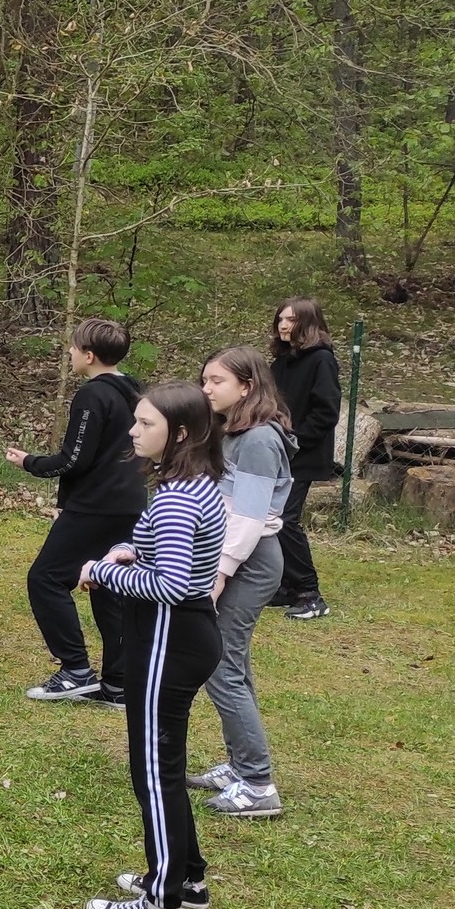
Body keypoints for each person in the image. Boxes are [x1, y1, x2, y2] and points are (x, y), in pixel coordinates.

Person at [79, 382, 226, 909]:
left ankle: (161, 903)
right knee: (165, 765)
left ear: (180, 433)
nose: (133, 431)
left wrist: (102, 571)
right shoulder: (194, 484)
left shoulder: (176, 498)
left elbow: (170, 584)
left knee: (154, 771)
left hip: (170, 639)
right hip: (185, 635)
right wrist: (128, 550)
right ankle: (188, 879)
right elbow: (165, 550)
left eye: (146, 424)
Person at [7, 319, 146, 707]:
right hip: (131, 504)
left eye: (73, 347)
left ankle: (75, 671)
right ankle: (118, 685)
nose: (69, 353)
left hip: (96, 506)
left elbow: (74, 460)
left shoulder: (92, 395)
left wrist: (29, 462)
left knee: (46, 579)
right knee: (109, 588)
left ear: (89, 355)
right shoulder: (136, 390)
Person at [191, 347, 292, 818]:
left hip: (250, 560)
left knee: (220, 664)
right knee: (231, 663)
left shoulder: (259, 440)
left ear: (246, 386)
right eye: (205, 380)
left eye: (216, 381)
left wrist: (218, 575)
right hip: (235, 556)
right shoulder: (234, 431)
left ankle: (257, 783)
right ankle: (240, 766)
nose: (206, 389)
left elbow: (249, 520)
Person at [268, 297, 339, 620]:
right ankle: (287, 587)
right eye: (281, 319)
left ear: (308, 324)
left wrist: (294, 441)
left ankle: (310, 594)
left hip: (303, 455)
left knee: (285, 520)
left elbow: (326, 412)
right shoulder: (281, 361)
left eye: (291, 320)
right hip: (276, 453)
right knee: (271, 519)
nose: (283, 325)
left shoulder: (321, 360)